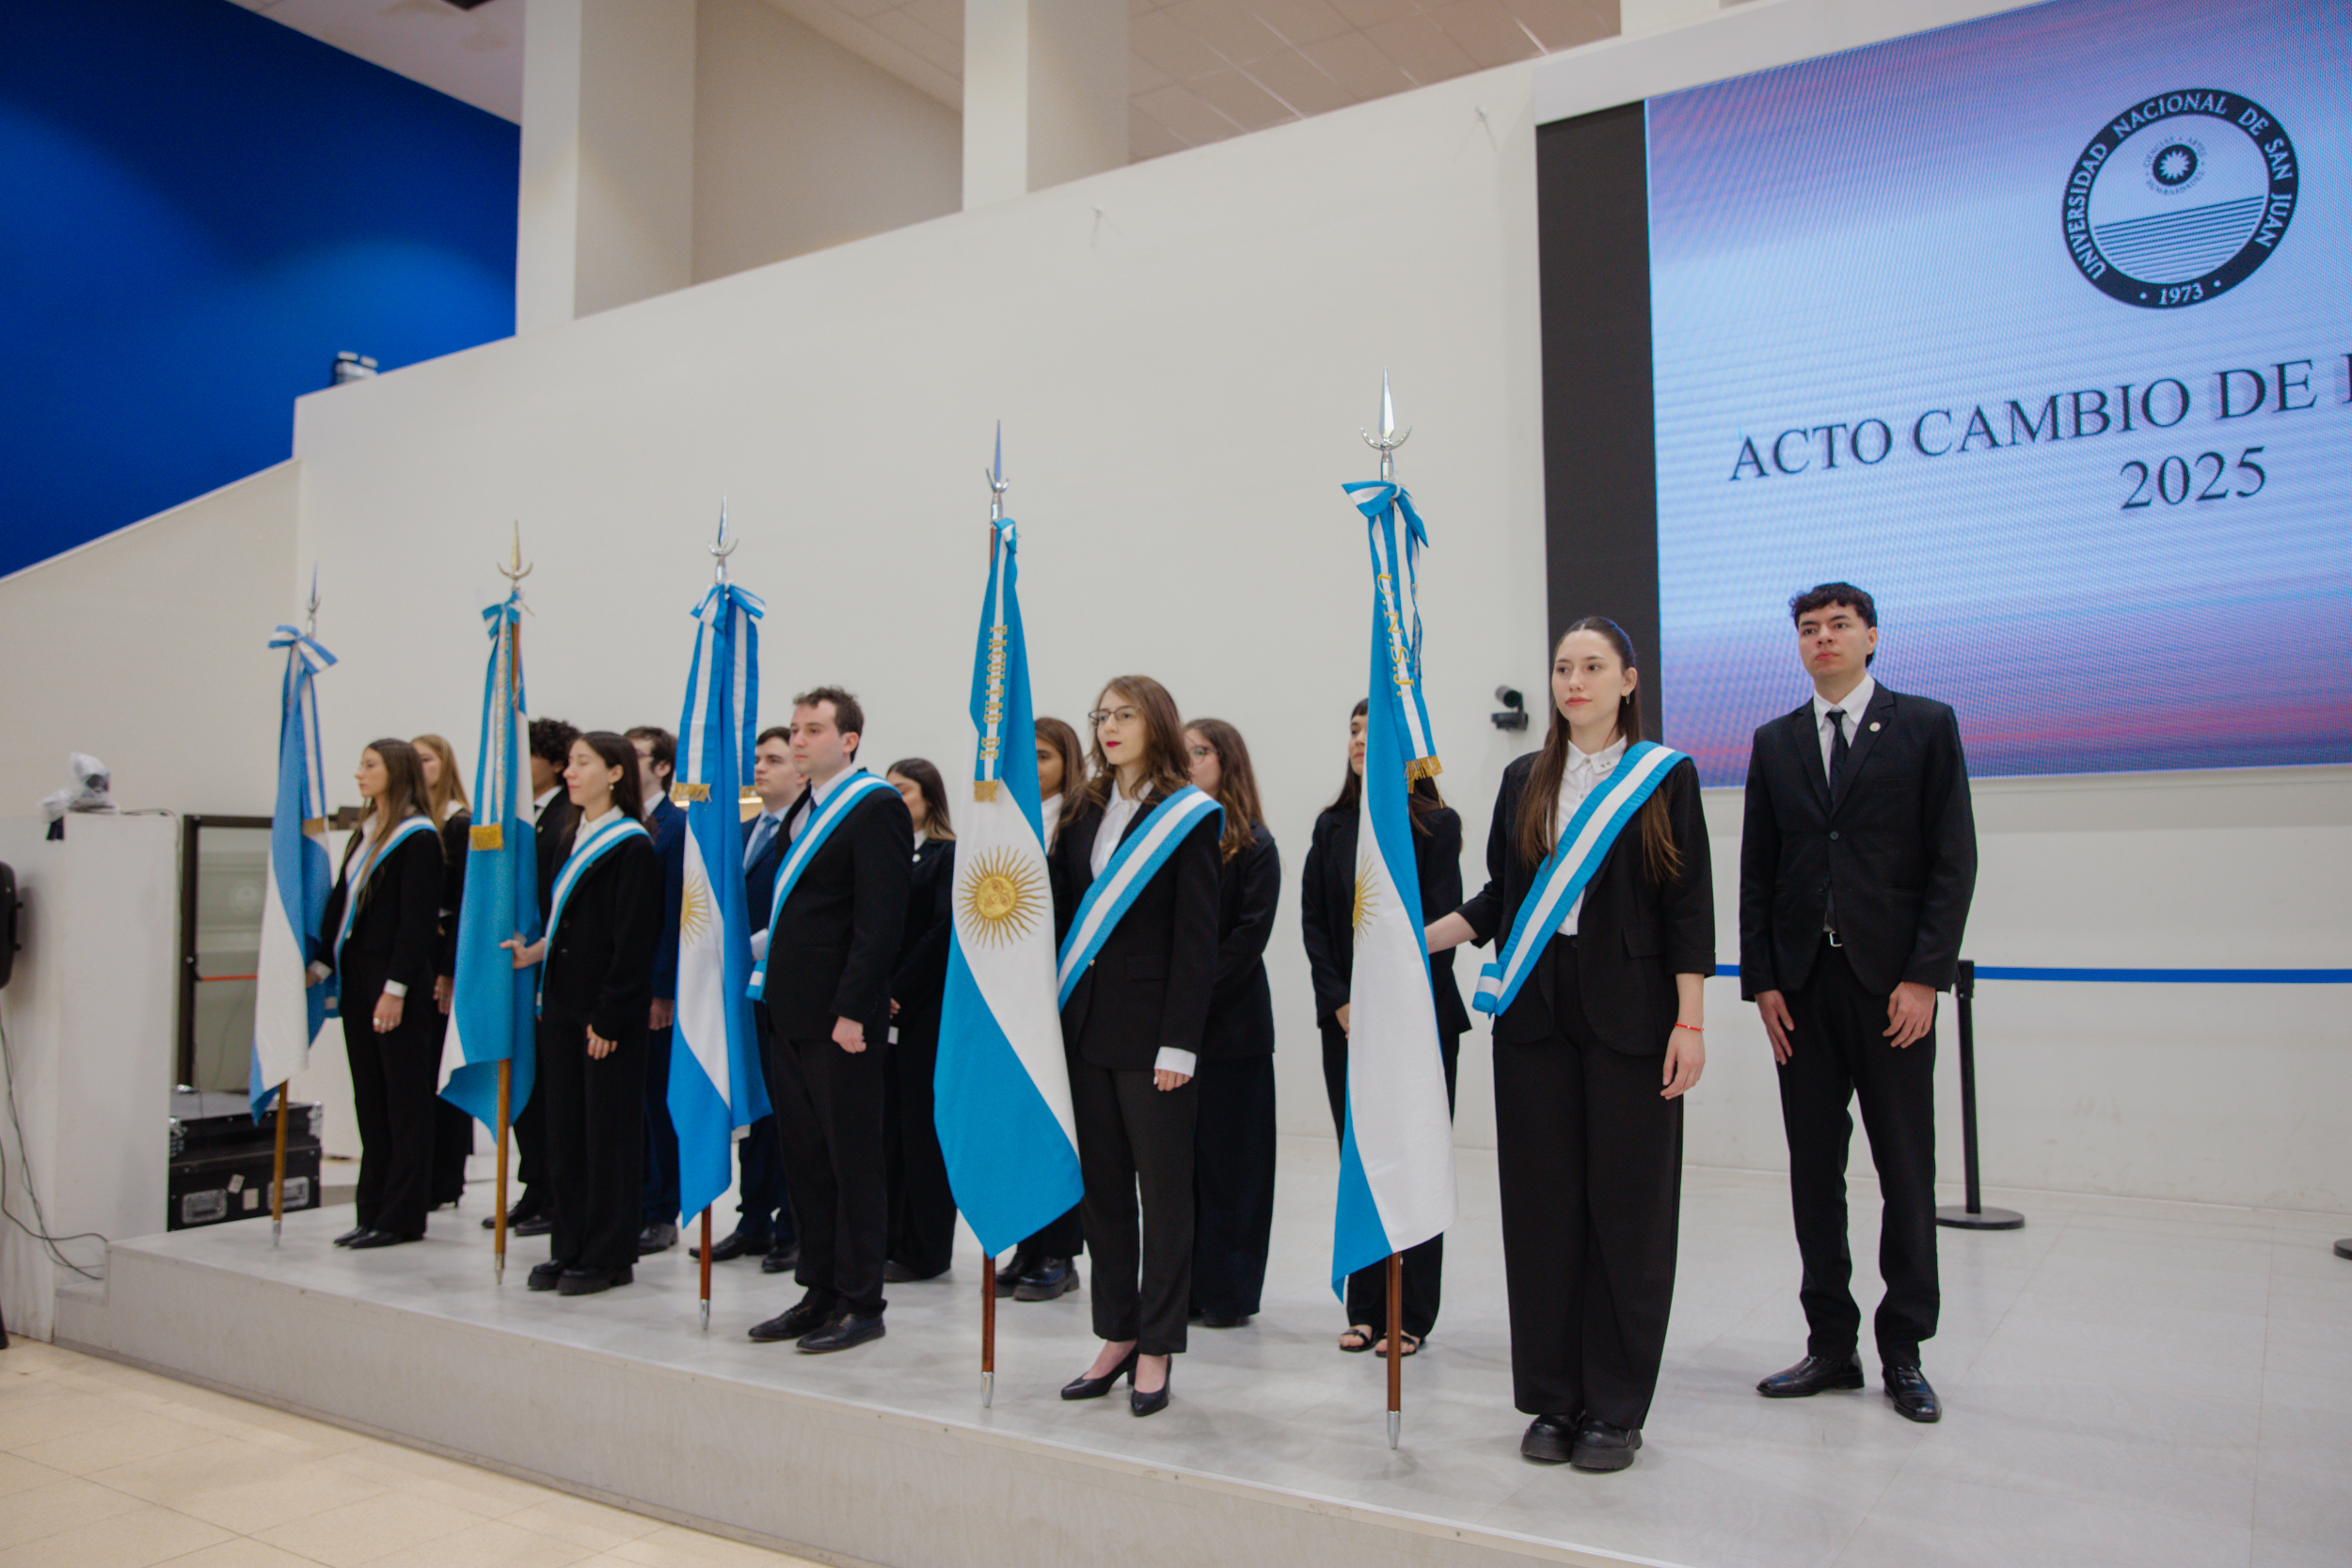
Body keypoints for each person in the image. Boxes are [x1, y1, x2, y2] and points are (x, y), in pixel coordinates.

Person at [1426, 618, 1712, 1471]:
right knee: (1543, 1212)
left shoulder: (1665, 776)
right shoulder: (1524, 777)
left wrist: (1688, 1022)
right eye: (1561, 666)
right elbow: (1503, 895)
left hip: (1633, 1016)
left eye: (1592, 666)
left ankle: (1615, 1407)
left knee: (1629, 1213)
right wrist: (1421, 935)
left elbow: (1687, 907)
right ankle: (1552, 1400)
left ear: (1629, 680)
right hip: (1536, 1019)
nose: (1573, 680)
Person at [1740, 583, 1976, 1425]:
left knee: (1906, 1171)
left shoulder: (1925, 725)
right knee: (1815, 1172)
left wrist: (1925, 976)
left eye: (1839, 625)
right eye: (1808, 628)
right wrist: (1762, 980)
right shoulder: (1774, 742)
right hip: (1802, 991)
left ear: (1872, 635)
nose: (1823, 638)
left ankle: (1904, 1347)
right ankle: (1830, 1343)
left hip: (1893, 991)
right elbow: (1758, 871)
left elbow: (1954, 861)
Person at [1050, 675, 1220, 1418]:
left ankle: (1158, 1345)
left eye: (1124, 714)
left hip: (1155, 1037)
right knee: (1107, 1197)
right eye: (1101, 715)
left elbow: (1196, 939)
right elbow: (1060, 910)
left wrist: (1180, 1041)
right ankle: (1116, 1333)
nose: (1109, 726)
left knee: (1165, 1195)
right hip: (1085, 1029)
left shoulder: (1187, 814)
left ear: (1156, 722)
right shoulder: (1086, 806)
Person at [746, 688, 913, 1354]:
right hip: (790, 1011)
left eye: (813, 729)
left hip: (840, 1019)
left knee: (852, 1163)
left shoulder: (874, 806)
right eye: (795, 729)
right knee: (806, 1161)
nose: (799, 740)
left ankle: (860, 1299)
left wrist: (852, 1009)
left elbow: (879, 923)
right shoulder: (805, 811)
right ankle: (817, 1289)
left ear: (848, 740)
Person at [1301, 699, 1469, 1356]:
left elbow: (1443, 928)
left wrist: (1387, 1004)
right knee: (1360, 1161)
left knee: (1414, 1159)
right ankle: (1366, 1305)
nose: (1361, 740)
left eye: (1377, 732)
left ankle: (1411, 1313)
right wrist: (1340, 1001)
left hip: (1417, 1022)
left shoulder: (1436, 825)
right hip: (1346, 1024)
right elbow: (1316, 925)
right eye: (1353, 729)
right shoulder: (1333, 824)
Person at [501, 732, 660, 1296]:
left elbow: (631, 942)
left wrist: (611, 1018)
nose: (570, 772)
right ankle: (567, 1246)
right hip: (563, 1009)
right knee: (565, 1134)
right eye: (568, 763)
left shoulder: (631, 845)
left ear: (616, 773)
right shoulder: (575, 833)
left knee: (607, 1139)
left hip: (603, 1017)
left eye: (583, 763)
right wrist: (534, 952)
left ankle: (608, 1254)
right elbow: (573, 924)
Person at [311, 738, 445, 1249]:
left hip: (394, 981)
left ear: (396, 772)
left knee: (404, 1100)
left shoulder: (417, 838)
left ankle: (403, 1215)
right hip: (357, 976)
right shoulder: (367, 831)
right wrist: (321, 960)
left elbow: (415, 925)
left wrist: (396, 989)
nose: (359, 774)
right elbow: (344, 904)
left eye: (370, 766)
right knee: (368, 1095)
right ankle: (372, 1210)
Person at [1180, 718, 1279, 1329]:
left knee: (1234, 1167)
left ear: (1227, 762)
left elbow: (1248, 939)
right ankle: (1185, 1283)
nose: (1188, 761)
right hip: (1177, 1029)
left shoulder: (1254, 842)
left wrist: (1189, 995)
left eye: (1200, 752)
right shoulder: (1171, 837)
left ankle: (1229, 1290)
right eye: (1181, 752)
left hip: (1233, 1026)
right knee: (1183, 1166)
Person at [696, 727, 804, 1273]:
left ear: (801, 770)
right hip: (737, 992)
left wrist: (749, 948)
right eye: (757, 759)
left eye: (774, 759)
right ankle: (753, 1218)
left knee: (785, 1113)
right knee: (752, 1111)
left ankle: (792, 1225)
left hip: (780, 988)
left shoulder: (805, 831)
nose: (760, 768)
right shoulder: (742, 830)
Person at [992, 714, 1089, 1302]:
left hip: (1061, 995)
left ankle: (1059, 1251)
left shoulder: (1078, 824)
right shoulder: (1000, 822)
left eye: (1045, 757)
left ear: (1068, 764)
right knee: (1017, 1124)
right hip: (1011, 998)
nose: (1032, 769)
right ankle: (1026, 1242)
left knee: (1059, 1124)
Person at [485, 716, 580, 1238]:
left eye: (529, 756)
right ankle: (532, 1185)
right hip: (522, 959)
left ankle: (549, 1190)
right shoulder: (527, 816)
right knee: (524, 1079)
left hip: (549, 961)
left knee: (547, 1089)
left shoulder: (565, 817)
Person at [882, 758, 958, 1283]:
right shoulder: (885, 853)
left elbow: (941, 933)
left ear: (929, 797)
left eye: (902, 791)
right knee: (887, 1133)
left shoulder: (946, 855)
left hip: (923, 1011)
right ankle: (890, 1238)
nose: (893, 801)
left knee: (922, 1132)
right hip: (879, 1011)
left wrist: (896, 990)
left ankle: (926, 1249)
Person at [626, 725, 688, 1256]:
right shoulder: (616, 824)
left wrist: (663, 990)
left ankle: (662, 1207)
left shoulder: (675, 825)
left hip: (653, 988)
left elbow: (673, 916)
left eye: (636, 752)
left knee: (655, 1102)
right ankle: (632, 1198)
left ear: (663, 766)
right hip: (615, 987)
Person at [411, 733, 475, 1211]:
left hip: (443, 961)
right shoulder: (409, 823)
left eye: (426, 758)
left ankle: (446, 1175)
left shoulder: (457, 823)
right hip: (417, 961)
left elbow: (461, 905)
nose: (418, 766)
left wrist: (451, 969)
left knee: (443, 1068)